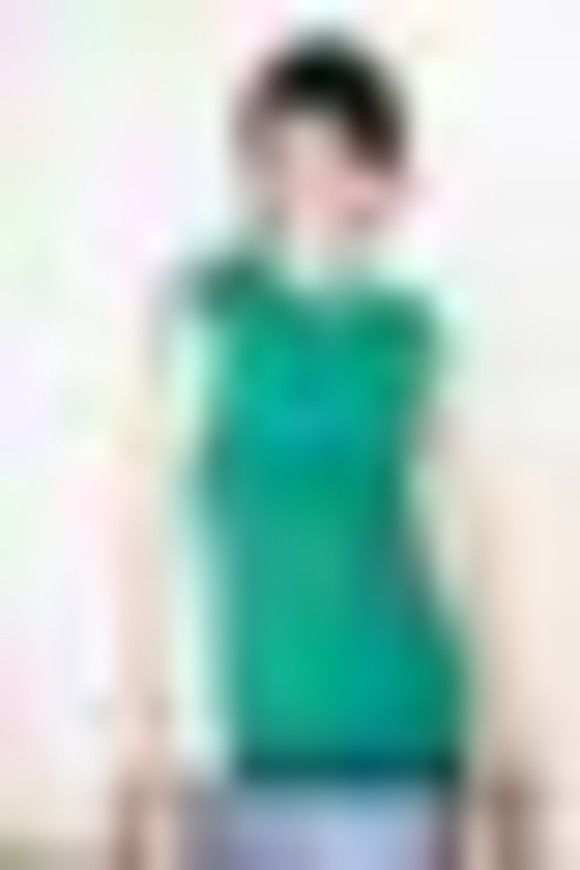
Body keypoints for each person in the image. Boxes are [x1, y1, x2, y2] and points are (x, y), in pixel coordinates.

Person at [161, 36, 471, 870]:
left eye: (336, 158)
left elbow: (461, 547)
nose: (308, 183)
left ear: (381, 179)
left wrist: (506, 735)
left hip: (405, 728)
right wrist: (145, 729)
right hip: (258, 740)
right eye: (281, 157)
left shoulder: (411, 334)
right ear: (255, 172)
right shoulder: (209, 317)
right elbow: (145, 538)